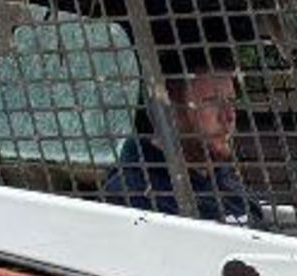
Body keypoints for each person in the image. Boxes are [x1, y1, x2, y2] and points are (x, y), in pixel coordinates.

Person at [101, 72, 261, 223]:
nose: (229, 116)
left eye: (232, 101)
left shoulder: (228, 185)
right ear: (169, 113)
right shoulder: (135, 197)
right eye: (212, 102)